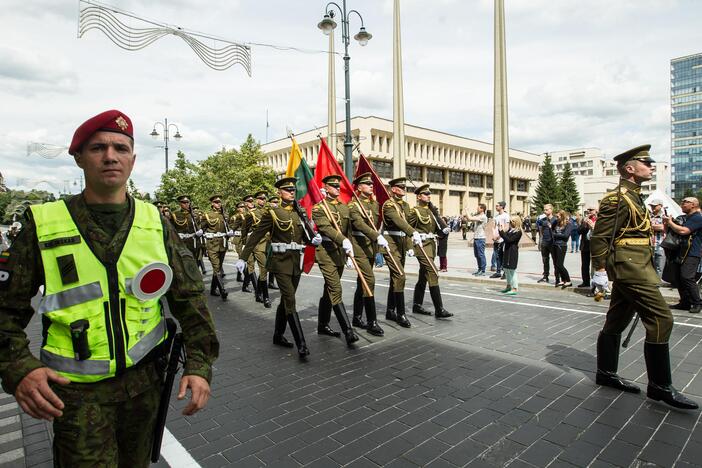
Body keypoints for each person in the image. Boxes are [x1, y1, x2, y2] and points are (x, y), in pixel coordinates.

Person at [0, 110, 219, 466]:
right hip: (77, 397)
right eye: (98, 147)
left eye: (120, 147)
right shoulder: (43, 224)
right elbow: (4, 311)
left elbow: (190, 299)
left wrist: (199, 365)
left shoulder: (154, 222)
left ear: (133, 159)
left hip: (145, 386)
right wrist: (20, 368)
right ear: (79, 158)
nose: (110, 156)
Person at [591, 144, 697, 410]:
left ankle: (605, 373)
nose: (651, 165)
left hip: (637, 264)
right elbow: (601, 236)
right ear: (630, 168)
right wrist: (600, 270)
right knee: (662, 318)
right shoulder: (618, 198)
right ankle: (659, 386)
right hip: (630, 267)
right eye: (646, 162)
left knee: (617, 319)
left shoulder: (636, 196)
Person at [236, 177, 322, 358]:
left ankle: (278, 335)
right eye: (287, 190)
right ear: (279, 193)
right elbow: (256, 235)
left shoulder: (299, 212)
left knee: (285, 300)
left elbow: (304, 235)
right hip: (280, 262)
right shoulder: (272, 213)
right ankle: (302, 344)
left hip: (295, 262)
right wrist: (243, 257)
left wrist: (313, 241)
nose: (292, 192)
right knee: (290, 299)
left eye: (293, 190)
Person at [312, 175, 359, 346]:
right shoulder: (319, 208)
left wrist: (348, 250)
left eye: (338, 186)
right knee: (335, 289)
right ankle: (348, 331)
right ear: (325, 188)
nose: (338, 188)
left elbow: (349, 231)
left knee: (329, 290)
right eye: (333, 186)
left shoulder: (344, 207)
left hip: (339, 253)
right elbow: (326, 228)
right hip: (326, 253)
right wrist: (343, 240)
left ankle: (322, 324)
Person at [347, 172, 386, 336]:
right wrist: (377, 237)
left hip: (370, 248)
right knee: (369, 281)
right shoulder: (353, 206)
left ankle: (356, 317)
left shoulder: (374, 205)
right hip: (359, 249)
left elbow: (375, 226)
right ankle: (372, 322)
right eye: (367, 184)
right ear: (359, 187)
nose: (371, 186)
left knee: (361, 283)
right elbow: (360, 225)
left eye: (371, 184)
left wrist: (378, 250)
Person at [382, 177, 423, 328]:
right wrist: (413, 232)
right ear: (393, 189)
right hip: (390, 244)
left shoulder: (405, 205)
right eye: (401, 187)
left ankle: (390, 310)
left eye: (404, 187)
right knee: (400, 275)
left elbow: (407, 224)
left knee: (395, 278)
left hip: (401, 244)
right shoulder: (388, 205)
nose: (404, 189)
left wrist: (410, 246)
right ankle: (401, 314)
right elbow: (400, 223)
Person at [409, 184, 453, 318]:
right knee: (433, 272)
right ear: (418, 196)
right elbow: (406, 229)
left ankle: (417, 305)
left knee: (423, 276)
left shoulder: (431, 211)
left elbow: (434, 228)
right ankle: (439, 309)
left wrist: (442, 231)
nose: (428, 196)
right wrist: (409, 247)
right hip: (421, 246)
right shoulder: (414, 211)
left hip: (431, 245)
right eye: (426, 194)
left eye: (429, 194)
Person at [664, 197, 702, 314]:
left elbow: (684, 231)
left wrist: (670, 222)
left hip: (692, 252)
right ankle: (685, 302)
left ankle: (697, 303)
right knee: (678, 277)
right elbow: (671, 232)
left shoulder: (697, 218)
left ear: (693, 205)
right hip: (680, 251)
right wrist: (667, 223)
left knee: (687, 277)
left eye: (685, 202)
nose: (682, 204)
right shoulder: (684, 218)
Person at [241, 190, 272, 307]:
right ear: (256, 200)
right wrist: (246, 244)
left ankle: (258, 293)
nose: (262, 201)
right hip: (258, 244)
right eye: (260, 199)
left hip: (268, 244)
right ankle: (266, 297)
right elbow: (244, 229)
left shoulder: (270, 212)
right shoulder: (252, 214)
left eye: (264, 199)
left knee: (266, 269)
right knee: (264, 269)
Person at [201, 195, 232, 301]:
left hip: (222, 245)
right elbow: (202, 229)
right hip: (212, 245)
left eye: (219, 202)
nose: (219, 204)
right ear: (212, 204)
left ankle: (213, 290)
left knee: (217, 268)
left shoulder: (224, 215)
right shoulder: (207, 216)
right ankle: (222, 290)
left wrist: (229, 233)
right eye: (216, 202)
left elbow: (227, 228)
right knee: (216, 267)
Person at [171, 195, 206, 274]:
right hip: (182, 243)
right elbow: (172, 230)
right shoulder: (175, 215)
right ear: (180, 203)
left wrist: (201, 232)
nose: (186, 204)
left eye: (188, 202)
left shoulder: (195, 215)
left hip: (194, 243)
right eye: (184, 202)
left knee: (196, 264)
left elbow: (200, 227)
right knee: (184, 264)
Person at [499, 216, 522, 295]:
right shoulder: (510, 230)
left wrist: (502, 232)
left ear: (516, 222)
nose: (511, 223)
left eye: (512, 221)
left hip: (512, 252)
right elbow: (505, 237)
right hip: (507, 251)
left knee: (512, 270)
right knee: (506, 269)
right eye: (510, 221)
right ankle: (508, 286)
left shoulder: (518, 232)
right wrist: (501, 230)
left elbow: (509, 240)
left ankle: (515, 288)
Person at [536, 204, 557, 283]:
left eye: (547, 209)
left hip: (552, 242)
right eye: (544, 209)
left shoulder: (555, 219)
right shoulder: (543, 220)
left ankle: (557, 277)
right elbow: (541, 230)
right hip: (545, 242)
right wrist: (542, 239)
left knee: (555, 260)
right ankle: (545, 276)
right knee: (545, 260)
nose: (545, 211)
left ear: (551, 210)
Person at [552, 210, 573, 288]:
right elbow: (552, 230)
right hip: (555, 245)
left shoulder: (568, 224)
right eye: (556, 216)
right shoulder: (556, 223)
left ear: (562, 216)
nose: (556, 218)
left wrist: (555, 234)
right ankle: (563, 280)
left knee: (560, 264)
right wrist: (555, 233)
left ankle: (568, 280)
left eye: (558, 216)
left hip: (562, 245)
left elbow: (565, 235)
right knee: (556, 265)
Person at [466, 204, 488, 276]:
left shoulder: (483, 217)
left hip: (481, 238)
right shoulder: (478, 216)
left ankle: (483, 270)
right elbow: (469, 218)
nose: (477, 209)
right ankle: (479, 269)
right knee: (477, 255)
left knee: (481, 254)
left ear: (482, 209)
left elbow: (470, 218)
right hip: (476, 238)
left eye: (478, 208)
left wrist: (466, 210)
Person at [578, 206, 597, 287]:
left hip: (595, 245)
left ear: (596, 210)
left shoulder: (598, 219)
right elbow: (579, 231)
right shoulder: (584, 220)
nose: (589, 211)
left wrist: (592, 226)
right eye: (588, 210)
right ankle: (585, 281)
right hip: (585, 245)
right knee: (585, 265)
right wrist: (585, 224)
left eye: (591, 210)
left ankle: (595, 283)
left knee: (594, 266)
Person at [490, 202, 510, 279]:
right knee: (497, 256)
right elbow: (494, 227)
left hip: (503, 239)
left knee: (504, 256)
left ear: (502, 207)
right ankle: (498, 272)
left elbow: (507, 227)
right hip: (496, 239)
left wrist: (499, 236)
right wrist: (494, 235)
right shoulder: (496, 216)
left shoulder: (506, 216)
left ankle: (505, 272)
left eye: (497, 206)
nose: (496, 207)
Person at [229, 202, 248, 282]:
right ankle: (246, 276)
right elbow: (231, 226)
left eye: (243, 207)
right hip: (238, 238)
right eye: (240, 207)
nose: (242, 208)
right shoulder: (234, 217)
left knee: (243, 258)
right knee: (241, 257)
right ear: (237, 208)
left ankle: (239, 276)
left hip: (245, 238)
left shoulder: (247, 215)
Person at [648, 200, 665, 277]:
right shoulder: (648, 215)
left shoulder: (664, 216)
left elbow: (663, 227)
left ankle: (657, 284)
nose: (652, 207)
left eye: (654, 205)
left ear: (660, 206)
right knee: (649, 265)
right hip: (649, 244)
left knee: (659, 266)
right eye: (651, 205)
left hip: (660, 245)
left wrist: (650, 226)